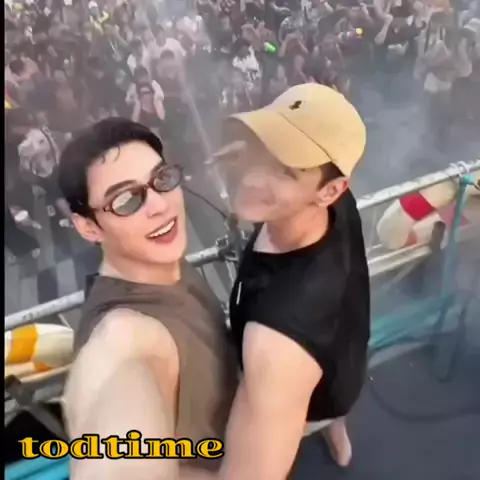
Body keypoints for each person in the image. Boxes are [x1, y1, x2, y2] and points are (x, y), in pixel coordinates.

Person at [57, 118, 238, 480]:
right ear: (88, 227)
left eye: (162, 179)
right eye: (125, 200)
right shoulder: (125, 333)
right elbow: (118, 363)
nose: (159, 205)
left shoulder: (162, 260)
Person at [215, 83, 371, 479]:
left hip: (306, 390)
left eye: (285, 170)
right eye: (260, 147)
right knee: (335, 409)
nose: (251, 177)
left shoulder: (275, 347)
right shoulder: (332, 202)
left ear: (330, 191)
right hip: (343, 363)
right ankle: (340, 441)